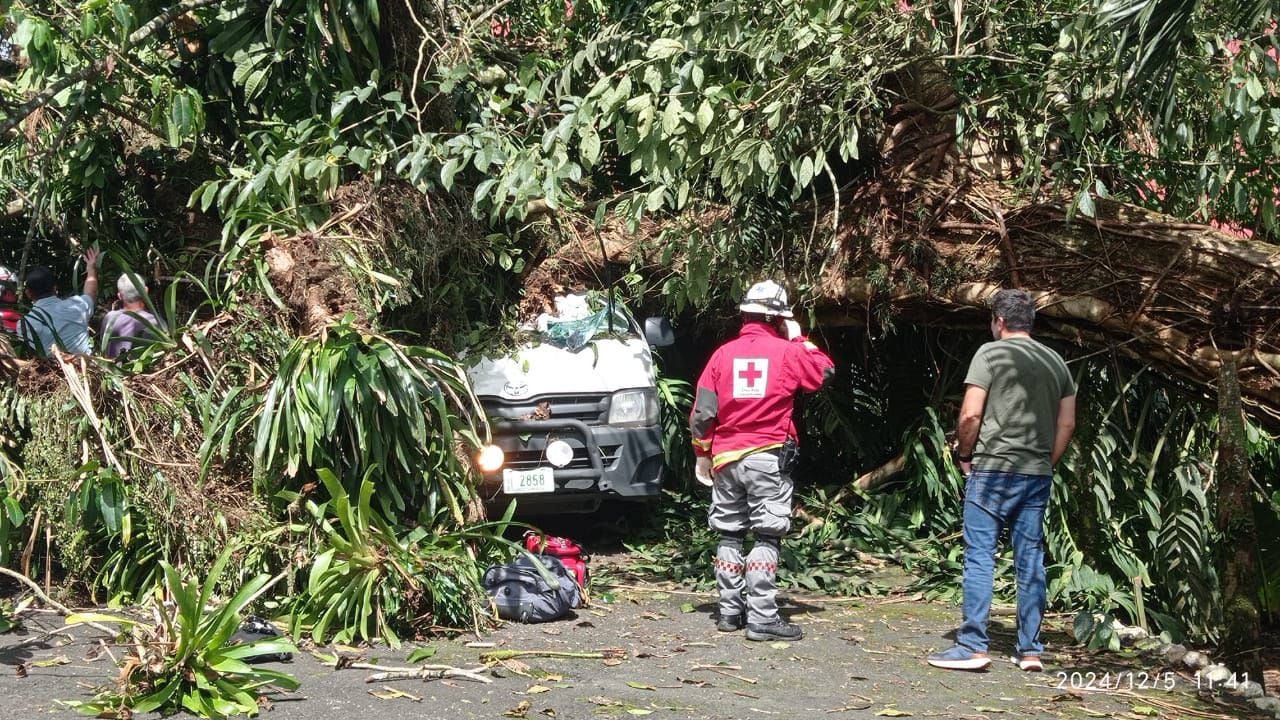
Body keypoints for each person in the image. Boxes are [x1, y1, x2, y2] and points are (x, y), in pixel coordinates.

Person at [927, 289, 1077, 672]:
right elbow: (1067, 423)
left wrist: (964, 455)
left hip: (992, 470)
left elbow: (970, 417)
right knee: (1030, 559)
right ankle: (1030, 650)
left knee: (980, 556)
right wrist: (1046, 462)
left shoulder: (989, 354)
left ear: (999, 320)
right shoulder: (1056, 361)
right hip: (1035, 474)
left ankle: (973, 645)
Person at [690, 280, 835, 641]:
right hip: (768, 457)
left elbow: (703, 413)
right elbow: (824, 371)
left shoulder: (722, 355)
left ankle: (728, 612)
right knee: (767, 535)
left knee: (730, 532)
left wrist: (702, 454)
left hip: (725, 459)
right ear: (779, 318)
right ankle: (763, 618)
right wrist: (799, 337)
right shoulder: (788, 352)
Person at [20, 248, 99, 356]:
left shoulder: (24, 324)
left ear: (28, 293)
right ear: (55, 288)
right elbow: (91, 293)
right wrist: (91, 269)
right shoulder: (77, 306)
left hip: (48, 372)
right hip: (87, 369)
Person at [101, 272, 161, 358]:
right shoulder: (154, 323)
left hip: (112, 370)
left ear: (120, 296)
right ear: (146, 291)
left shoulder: (109, 318)